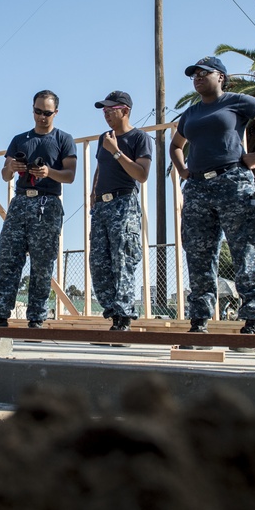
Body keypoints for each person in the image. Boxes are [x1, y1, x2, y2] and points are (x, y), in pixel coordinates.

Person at [170, 57, 255, 339]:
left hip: (233, 183)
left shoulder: (237, 101)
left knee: (246, 251)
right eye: (194, 75)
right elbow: (176, 146)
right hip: (198, 188)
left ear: (221, 77)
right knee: (199, 255)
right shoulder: (190, 114)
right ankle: (199, 319)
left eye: (204, 73)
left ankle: (252, 320)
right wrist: (184, 172)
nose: (198, 77)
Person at [0, 90, 76, 328]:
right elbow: (5, 175)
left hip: (48, 204)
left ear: (55, 113)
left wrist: (48, 172)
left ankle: (36, 317)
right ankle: (0, 314)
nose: (41, 117)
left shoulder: (63, 139)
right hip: (21, 202)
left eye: (47, 113)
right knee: (8, 259)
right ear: (32, 109)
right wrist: (12, 167)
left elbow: (70, 175)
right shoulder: (20, 139)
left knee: (42, 263)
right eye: (38, 111)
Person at [89, 91, 152, 331]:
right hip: (102, 207)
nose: (106, 114)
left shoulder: (140, 138)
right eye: (103, 110)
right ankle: (112, 312)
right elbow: (99, 166)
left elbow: (141, 175)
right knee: (99, 262)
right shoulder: (103, 138)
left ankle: (124, 316)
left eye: (110, 109)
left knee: (123, 260)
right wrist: (93, 193)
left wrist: (116, 151)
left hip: (124, 203)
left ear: (125, 110)